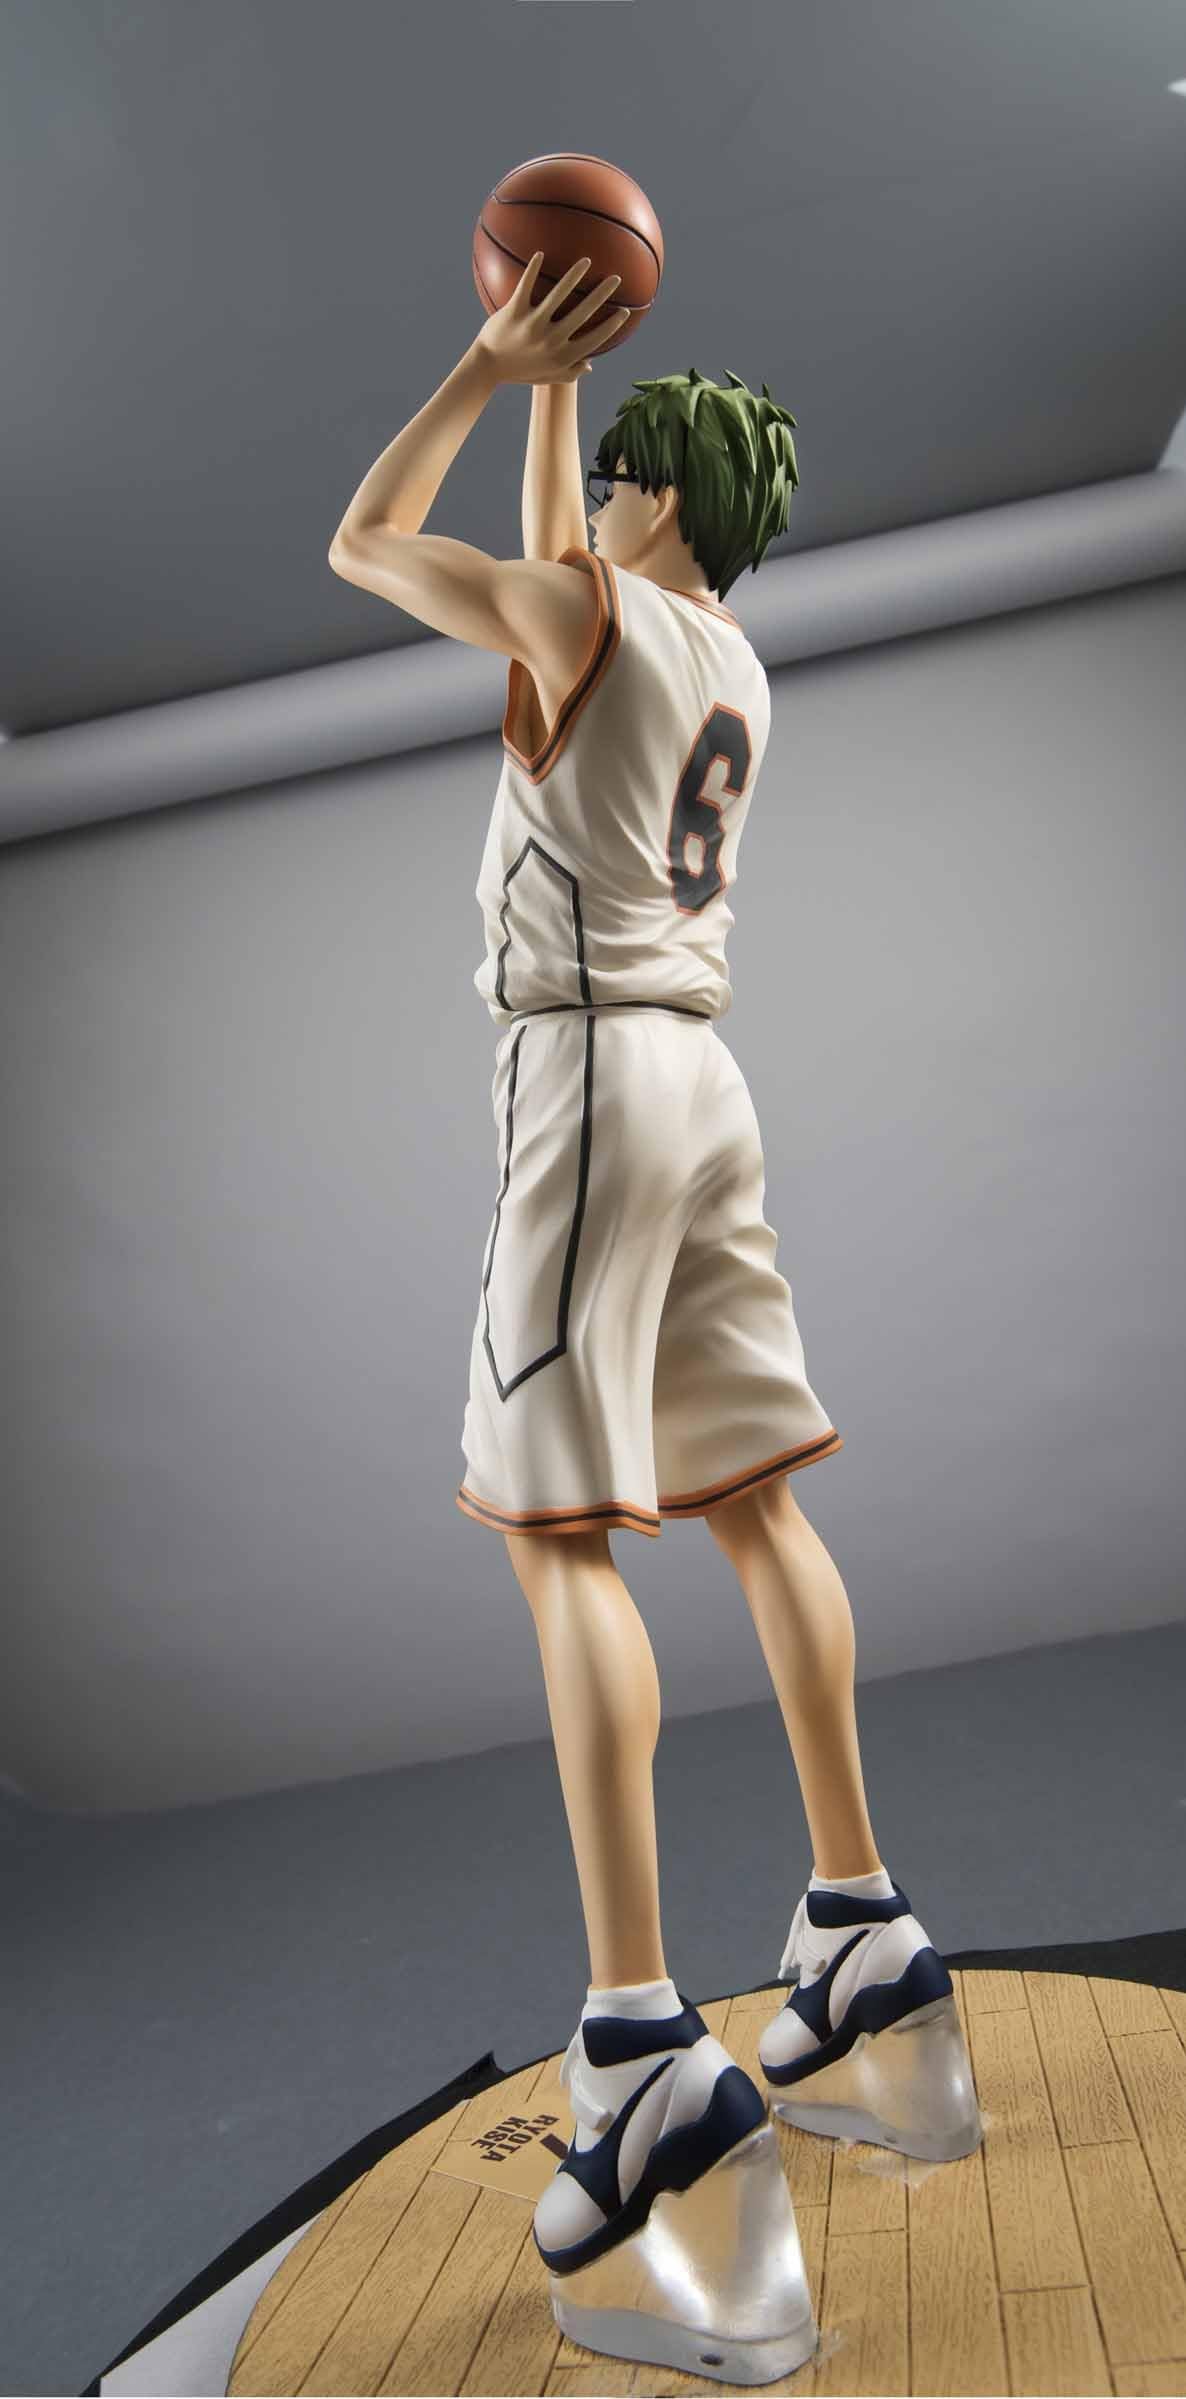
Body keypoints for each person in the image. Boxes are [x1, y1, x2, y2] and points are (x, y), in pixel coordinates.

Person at [328, 254, 979, 2349]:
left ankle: (636, 2049)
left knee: (559, 1537)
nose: (592, 492)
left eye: (617, 467)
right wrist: (565, 408)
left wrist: (484, 363)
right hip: (705, 1080)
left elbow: (363, 545)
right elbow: (567, 578)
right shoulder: (727, 658)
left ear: (663, 498)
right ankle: (862, 1938)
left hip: (590, 1081)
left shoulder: (584, 613)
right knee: (757, 1505)